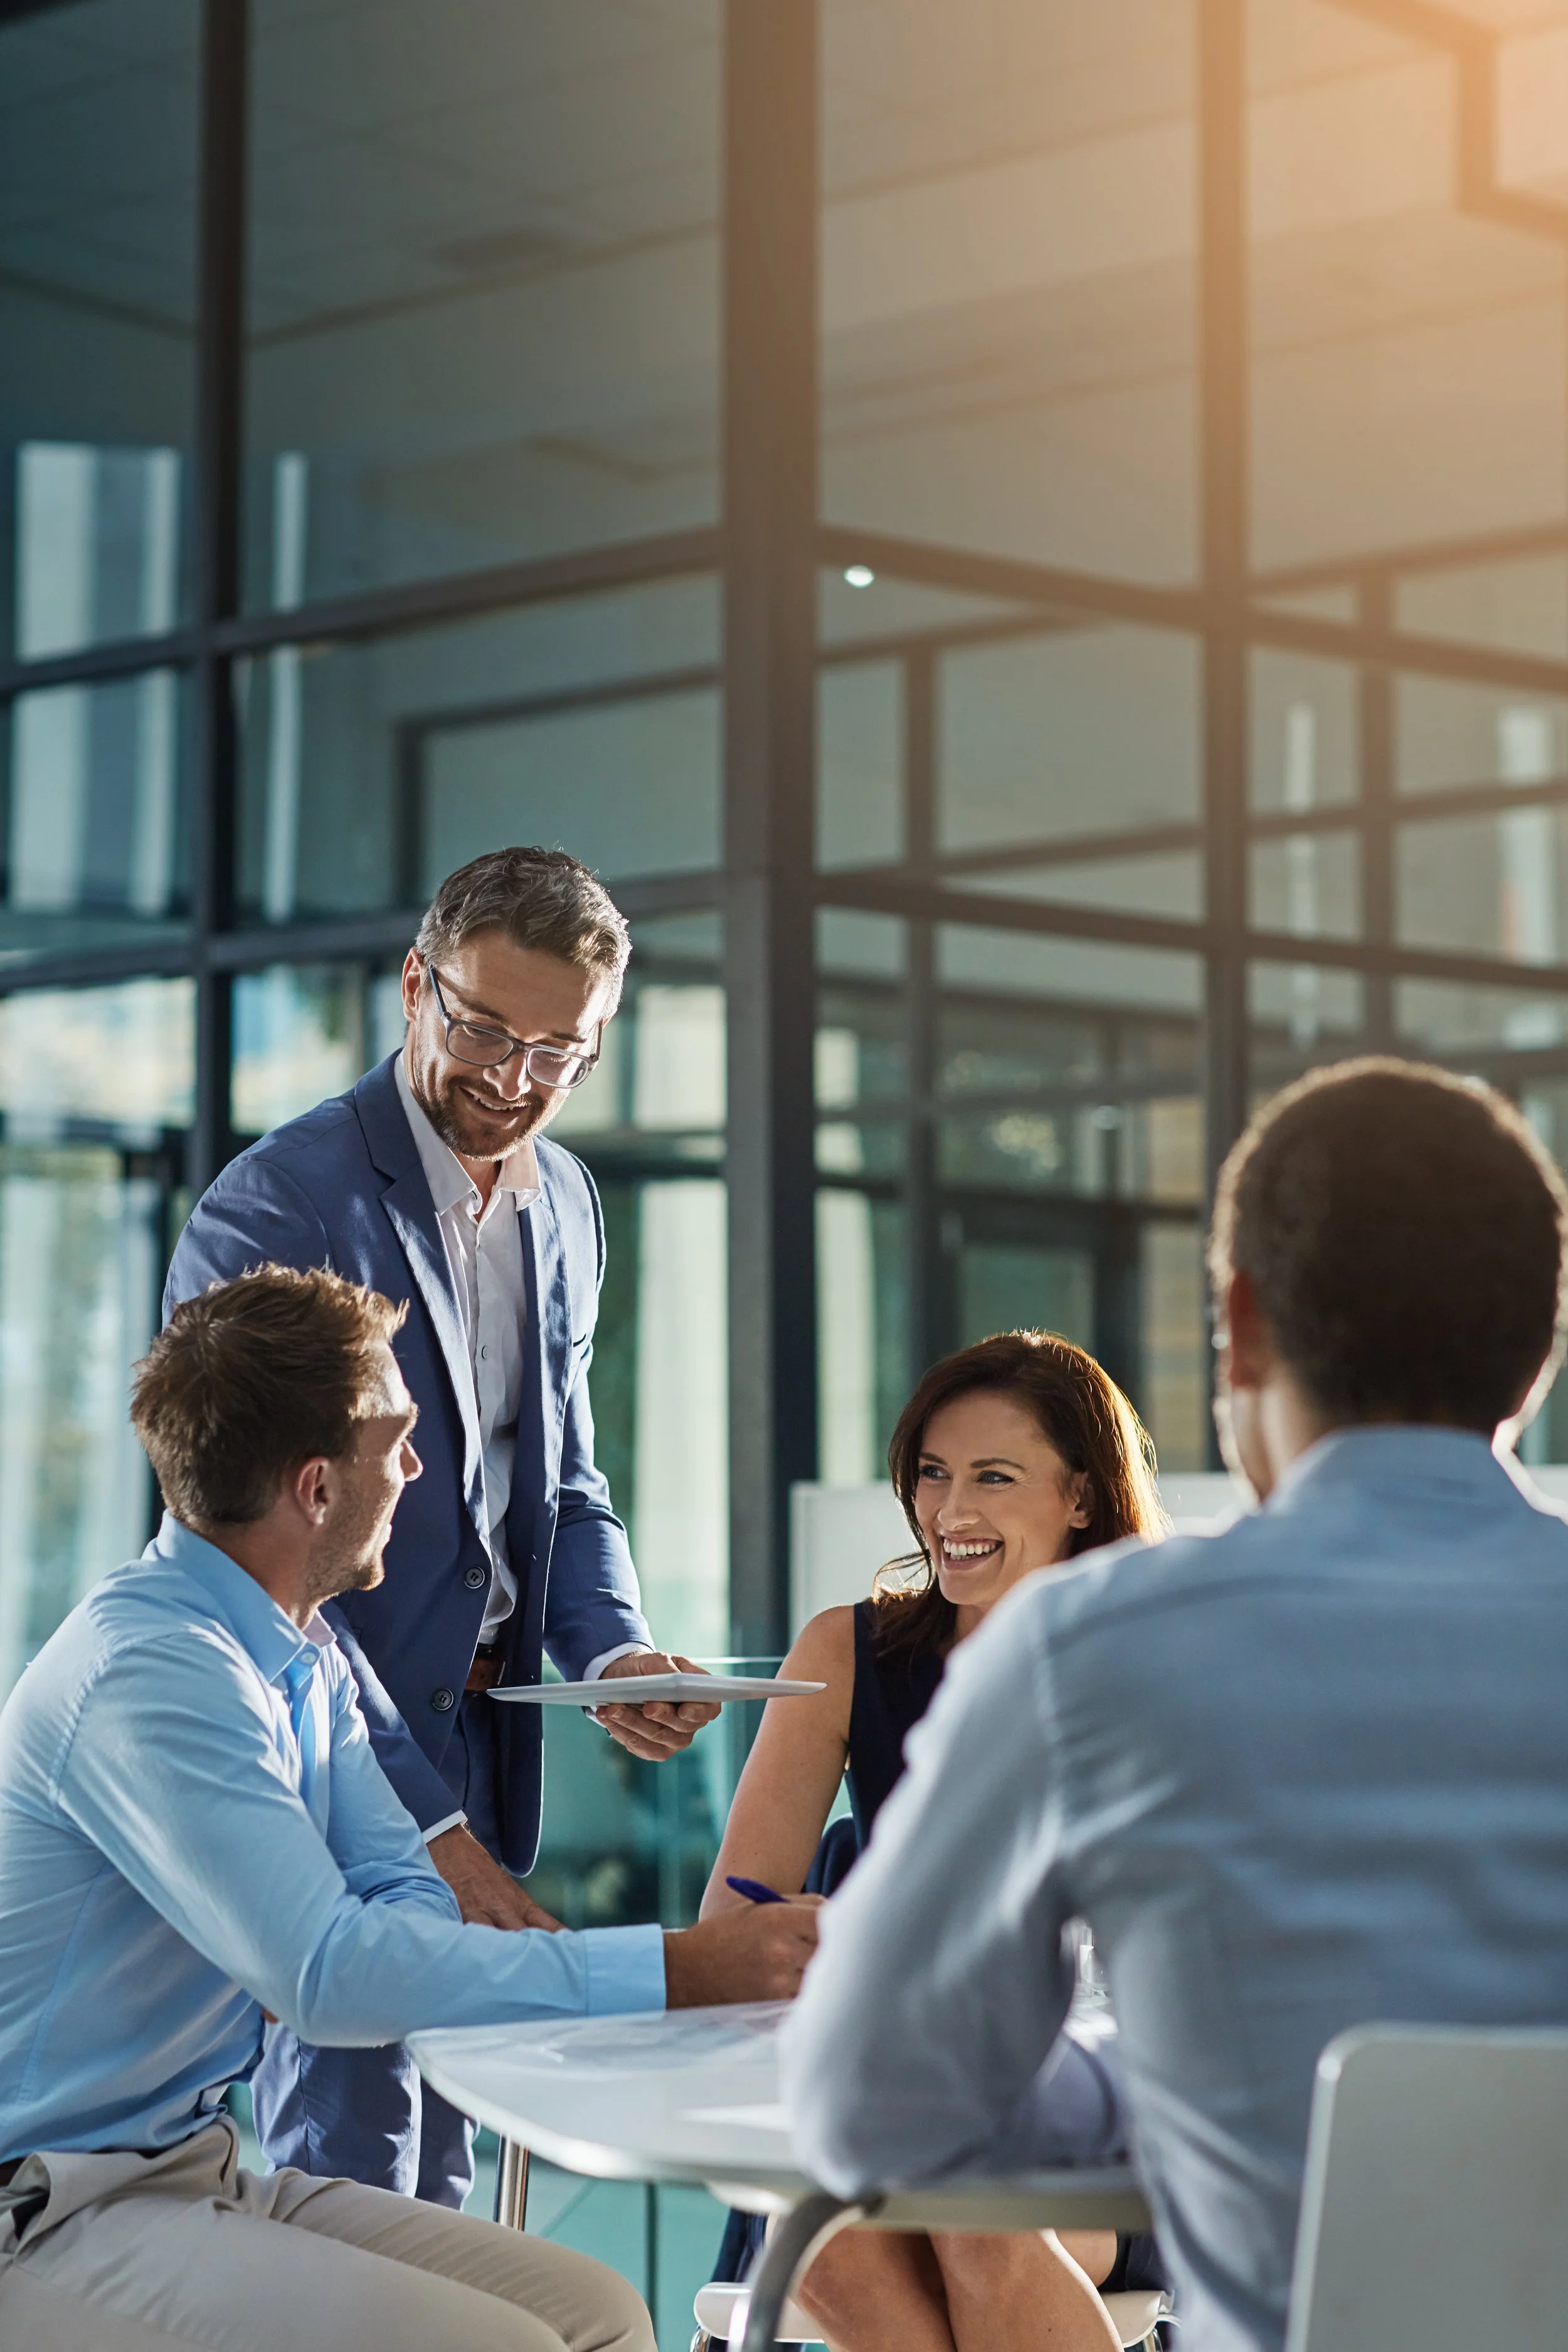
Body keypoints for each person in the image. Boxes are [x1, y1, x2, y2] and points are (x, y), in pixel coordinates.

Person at [783, 1056, 1568, 2352]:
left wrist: (1161, 2087)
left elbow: (864, 2102)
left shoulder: (1090, 1648)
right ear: (1535, 1352)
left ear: (1240, 1323)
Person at [0, 1266, 818, 2352]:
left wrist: (408, 1953)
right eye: (396, 1442)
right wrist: (682, 1968)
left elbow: (401, 1893)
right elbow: (330, 1978)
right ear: (317, 1488)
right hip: (46, 2213)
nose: (420, 1471)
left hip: (183, 2171)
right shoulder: (157, 1673)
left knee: (599, 2312)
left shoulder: (300, 1649)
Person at [164, 845, 722, 2206]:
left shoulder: (567, 1205)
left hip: (487, 1734)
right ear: (415, 984)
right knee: (346, 2165)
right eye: (481, 1026)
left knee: (451, 2157)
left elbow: (564, 1481)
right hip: (337, 1747)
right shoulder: (278, 1207)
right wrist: (421, 1828)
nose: (515, 1078)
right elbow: (266, 1573)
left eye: (560, 1051)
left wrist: (610, 1656)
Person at [704, 1331, 1168, 2352]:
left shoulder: (1152, 1659)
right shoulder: (849, 1652)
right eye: (932, 1474)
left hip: (1100, 2109)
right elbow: (732, 1921)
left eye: (994, 1479)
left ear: (1082, 1498)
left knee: (967, 2211)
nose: (951, 1514)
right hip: (896, 2095)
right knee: (819, 2236)